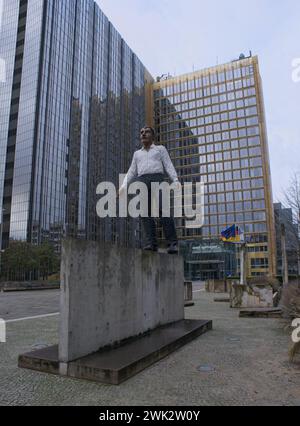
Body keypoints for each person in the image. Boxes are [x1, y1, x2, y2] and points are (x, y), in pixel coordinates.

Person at [119, 126, 179, 254]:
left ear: (153, 136)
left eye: (146, 132)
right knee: (144, 213)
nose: (143, 134)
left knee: (164, 210)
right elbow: (131, 171)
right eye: (141, 132)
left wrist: (175, 180)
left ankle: (172, 243)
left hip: (158, 178)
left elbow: (168, 165)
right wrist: (124, 186)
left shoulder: (160, 149)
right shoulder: (137, 154)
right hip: (142, 181)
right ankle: (151, 243)